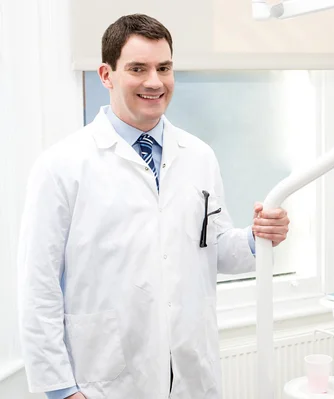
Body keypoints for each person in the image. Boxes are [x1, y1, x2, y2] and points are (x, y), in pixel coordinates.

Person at [18, 14, 290, 399]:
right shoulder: (61, 165)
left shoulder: (198, 156)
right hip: (102, 381)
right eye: (137, 68)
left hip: (191, 375)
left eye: (164, 68)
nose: (154, 82)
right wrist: (61, 390)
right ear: (106, 75)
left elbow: (213, 248)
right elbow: (38, 285)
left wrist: (256, 238)